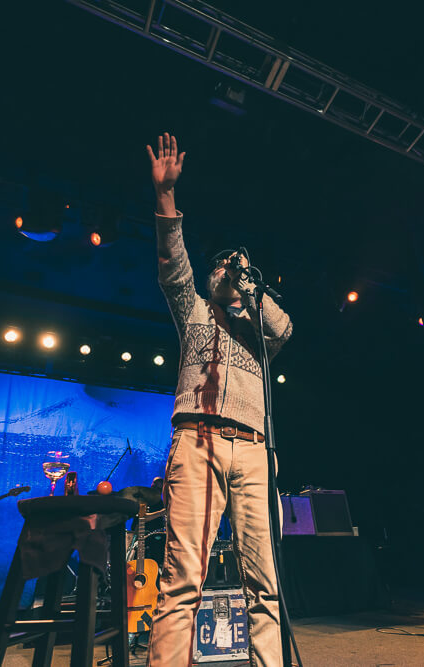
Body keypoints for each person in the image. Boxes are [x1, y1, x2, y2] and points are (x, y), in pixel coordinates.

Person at [145, 133, 293, 667]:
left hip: (255, 451)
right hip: (199, 439)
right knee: (184, 578)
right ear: (212, 277)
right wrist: (166, 200)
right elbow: (173, 266)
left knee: (266, 583)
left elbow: (286, 326)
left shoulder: (260, 329)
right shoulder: (196, 312)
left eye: (239, 265)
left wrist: (251, 283)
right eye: (223, 266)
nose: (230, 270)